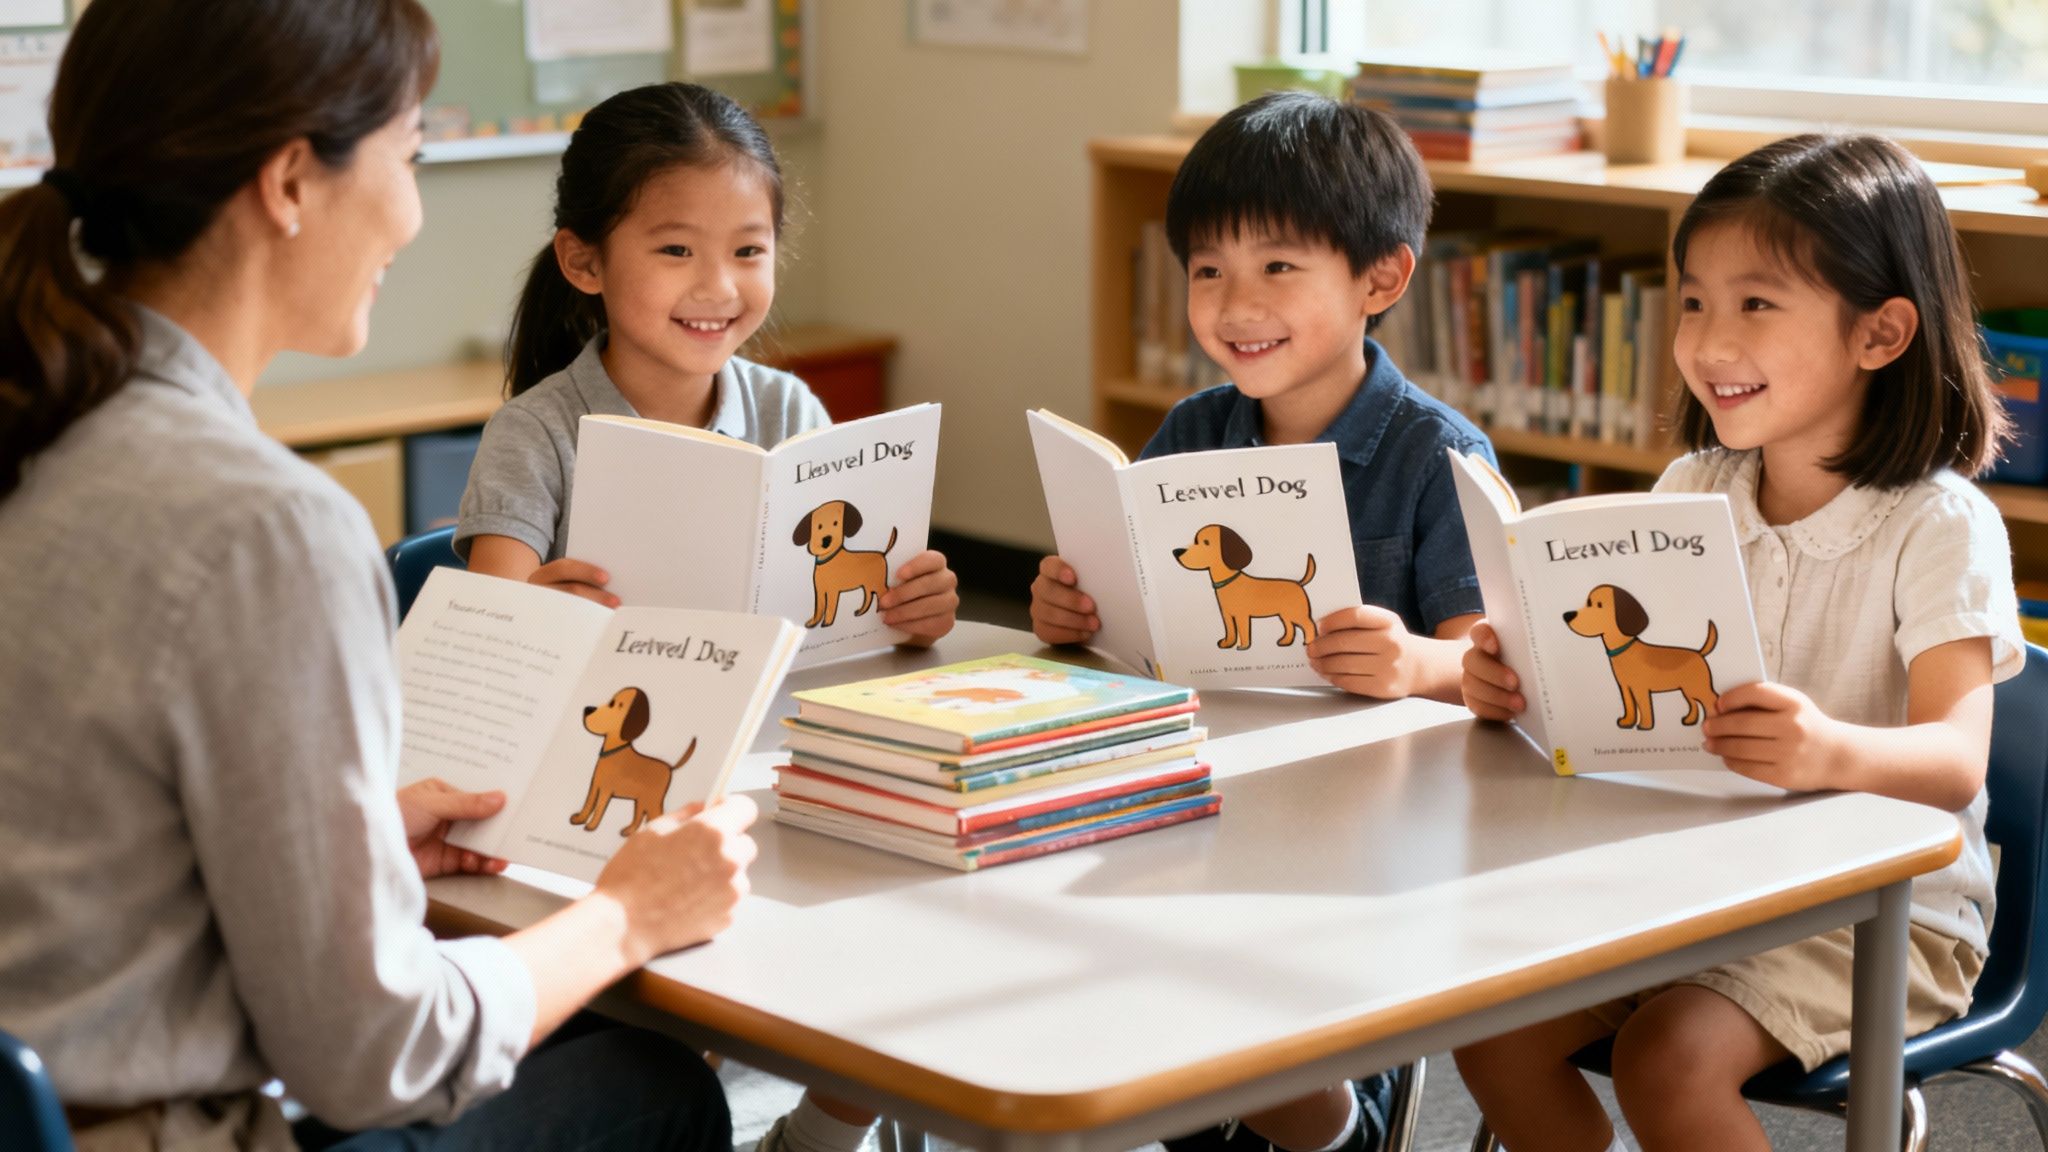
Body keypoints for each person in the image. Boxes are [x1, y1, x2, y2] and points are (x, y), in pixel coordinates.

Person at [0, 3, 758, 1148]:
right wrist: (625, 918)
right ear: (292, 182)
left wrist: (351, 842)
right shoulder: (264, 527)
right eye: (408, 154)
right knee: (652, 1089)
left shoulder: (46, 427)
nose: (411, 210)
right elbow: (377, 1057)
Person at [1454, 133, 2023, 1152]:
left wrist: (1826, 752)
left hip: (1883, 914)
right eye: (1690, 302)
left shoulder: (1938, 527)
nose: (1707, 342)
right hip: (1698, 879)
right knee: (1483, 1026)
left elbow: (1952, 760)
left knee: (1666, 1060)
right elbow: (1629, 701)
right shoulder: (1691, 490)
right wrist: (1524, 682)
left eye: (1754, 304)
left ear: (1880, 333)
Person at [1029, 91, 1494, 709]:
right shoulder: (1191, 430)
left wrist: (1413, 662)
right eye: (1209, 271)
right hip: (1209, 740)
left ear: (1380, 280)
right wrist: (1072, 611)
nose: (1236, 307)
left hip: (1371, 775)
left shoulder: (1441, 455)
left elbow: (1482, 656)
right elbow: (1132, 610)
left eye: (1277, 266)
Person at [457, 82, 959, 648]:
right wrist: (539, 620)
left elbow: (843, 625)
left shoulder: (789, 410)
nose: (718, 288)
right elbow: (487, 642)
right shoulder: (534, 435)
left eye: (748, 251)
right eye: (676, 250)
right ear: (583, 261)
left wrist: (911, 617)